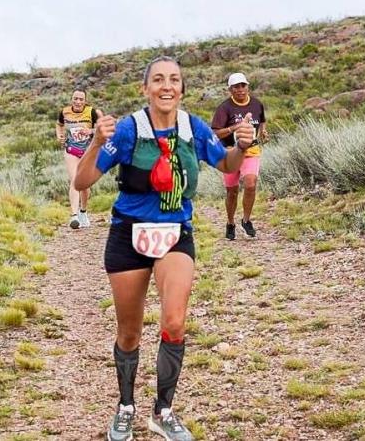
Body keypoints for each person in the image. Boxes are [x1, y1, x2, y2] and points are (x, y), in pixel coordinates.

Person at [75, 56, 254, 441]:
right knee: (129, 333)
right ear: (146, 88)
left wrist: (242, 147)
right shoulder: (127, 130)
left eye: (174, 79)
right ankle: (125, 407)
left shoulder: (193, 128)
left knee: (174, 322)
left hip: (176, 234)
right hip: (128, 235)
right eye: (158, 79)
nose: (166, 86)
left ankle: (163, 411)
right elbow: (82, 180)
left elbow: (225, 163)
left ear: (182, 88)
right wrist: (96, 142)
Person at [210, 72, 268, 240]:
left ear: (248, 87)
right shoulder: (224, 108)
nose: (241, 89)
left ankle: (246, 220)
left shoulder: (257, 104)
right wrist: (233, 128)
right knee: (232, 191)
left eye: (243, 85)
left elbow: (262, 120)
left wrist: (263, 131)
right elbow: (215, 133)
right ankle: (230, 223)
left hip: (251, 151)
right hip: (230, 153)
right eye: (236, 87)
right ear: (230, 89)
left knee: (250, 184)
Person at [56, 89, 102, 229]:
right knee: (75, 180)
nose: (78, 102)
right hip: (71, 151)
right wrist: (59, 135)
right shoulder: (64, 112)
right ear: (71, 99)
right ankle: (74, 216)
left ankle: (83, 211)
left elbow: (102, 128)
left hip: (88, 152)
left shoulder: (92, 112)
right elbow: (59, 124)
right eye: (75, 98)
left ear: (85, 101)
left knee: (85, 185)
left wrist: (91, 131)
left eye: (81, 99)